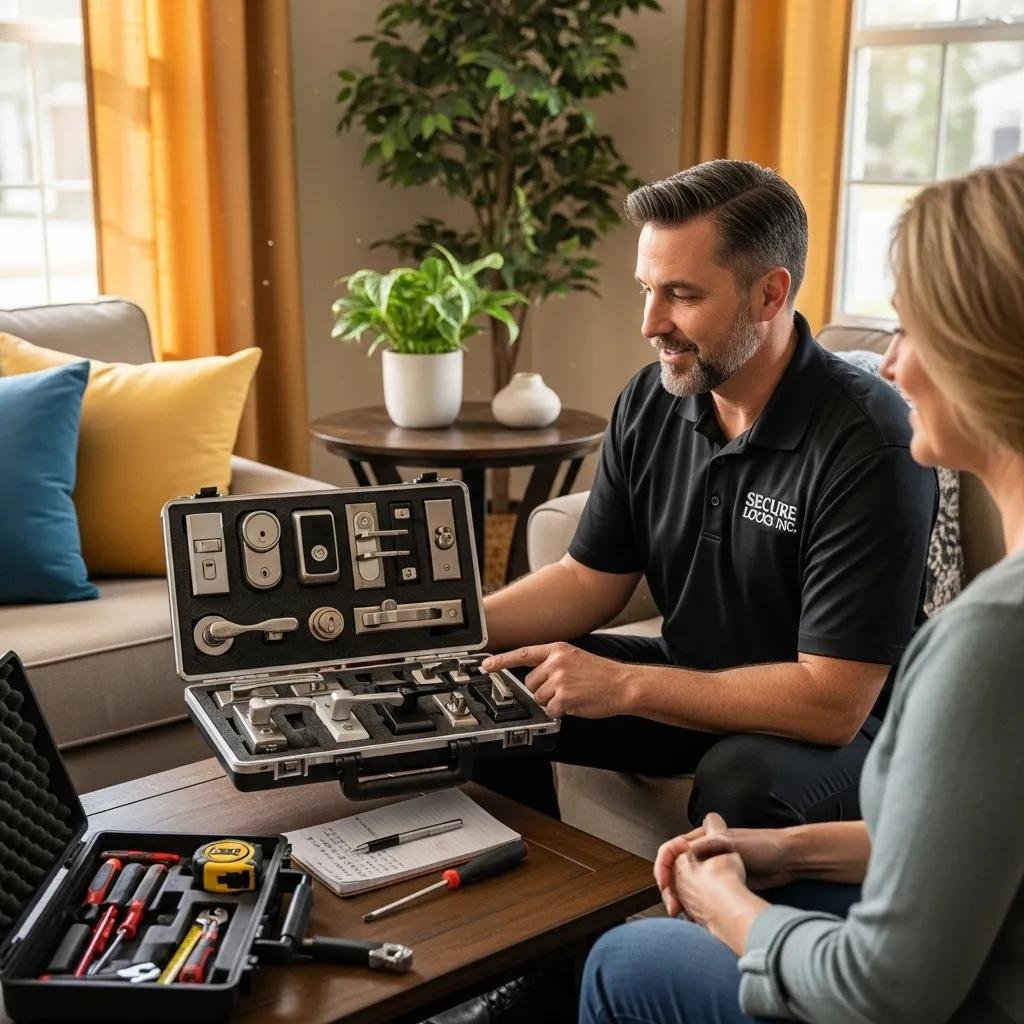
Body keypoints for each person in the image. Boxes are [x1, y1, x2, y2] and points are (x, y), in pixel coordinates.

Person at [580, 154, 1024, 1024]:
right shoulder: (653, 401)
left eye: (912, 330)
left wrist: (729, 909)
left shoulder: (990, 639)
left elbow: (886, 990)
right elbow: (963, 843)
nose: (891, 364)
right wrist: (783, 853)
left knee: (623, 960)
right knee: (516, 692)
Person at [478, 159, 937, 828]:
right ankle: (540, 923)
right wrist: (449, 628)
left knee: (741, 781)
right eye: (647, 289)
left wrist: (624, 683)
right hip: (699, 677)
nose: (650, 322)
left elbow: (832, 701)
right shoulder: (652, 398)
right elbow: (588, 580)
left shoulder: (868, 441)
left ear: (769, 296)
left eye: (682, 295)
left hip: (855, 726)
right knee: (494, 691)